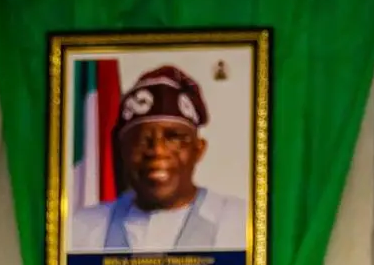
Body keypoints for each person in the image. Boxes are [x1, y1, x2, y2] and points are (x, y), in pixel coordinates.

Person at [66, 65, 247, 253]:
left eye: (173, 137)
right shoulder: (81, 230)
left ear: (198, 149)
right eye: (140, 140)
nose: (157, 150)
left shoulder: (240, 223)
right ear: (122, 151)